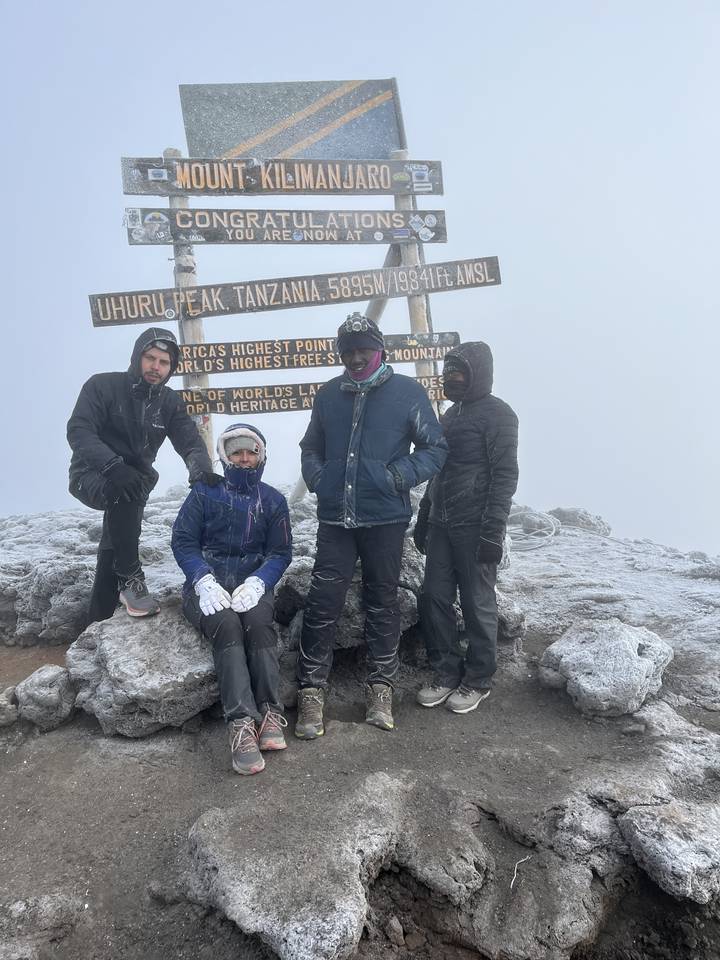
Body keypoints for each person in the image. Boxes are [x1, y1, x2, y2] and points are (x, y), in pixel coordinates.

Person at [294, 312, 448, 739]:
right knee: (323, 601)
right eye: (348, 351)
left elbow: (435, 449)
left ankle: (381, 688)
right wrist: (320, 480)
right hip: (335, 519)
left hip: (386, 517)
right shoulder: (328, 395)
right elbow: (311, 447)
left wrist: (396, 476)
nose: (357, 357)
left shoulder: (407, 393)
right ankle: (311, 692)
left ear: (380, 350)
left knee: (382, 600)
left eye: (364, 349)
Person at [67, 327, 215, 623]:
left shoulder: (169, 402)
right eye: (150, 358)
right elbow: (79, 431)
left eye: (164, 363)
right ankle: (131, 579)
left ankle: (97, 621)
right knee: (125, 496)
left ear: (171, 369)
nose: (156, 367)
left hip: (135, 481)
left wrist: (202, 472)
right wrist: (113, 466)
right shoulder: (102, 386)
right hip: (91, 472)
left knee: (115, 542)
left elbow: (189, 441)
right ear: (138, 357)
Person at [171, 423, 292, 776]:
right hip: (207, 588)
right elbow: (183, 542)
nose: (243, 457)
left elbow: (280, 552)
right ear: (224, 455)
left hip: (252, 586)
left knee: (257, 623)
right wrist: (201, 579)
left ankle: (270, 712)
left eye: (250, 451)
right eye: (236, 451)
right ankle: (240, 723)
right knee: (226, 626)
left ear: (261, 455)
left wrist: (258, 582)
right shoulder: (204, 494)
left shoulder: (273, 500)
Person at [414, 341, 519, 714]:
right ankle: (444, 671)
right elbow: (440, 470)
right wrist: (425, 513)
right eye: (448, 372)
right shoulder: (450, 415)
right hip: (442, 523)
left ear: (478, 373)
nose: (450, 378)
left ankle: (478, 679)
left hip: (476, 525)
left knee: (477, 603)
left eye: (458, 372)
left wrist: (494, 531)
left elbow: (505, 476)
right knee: (433, 597)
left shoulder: (499, 415)